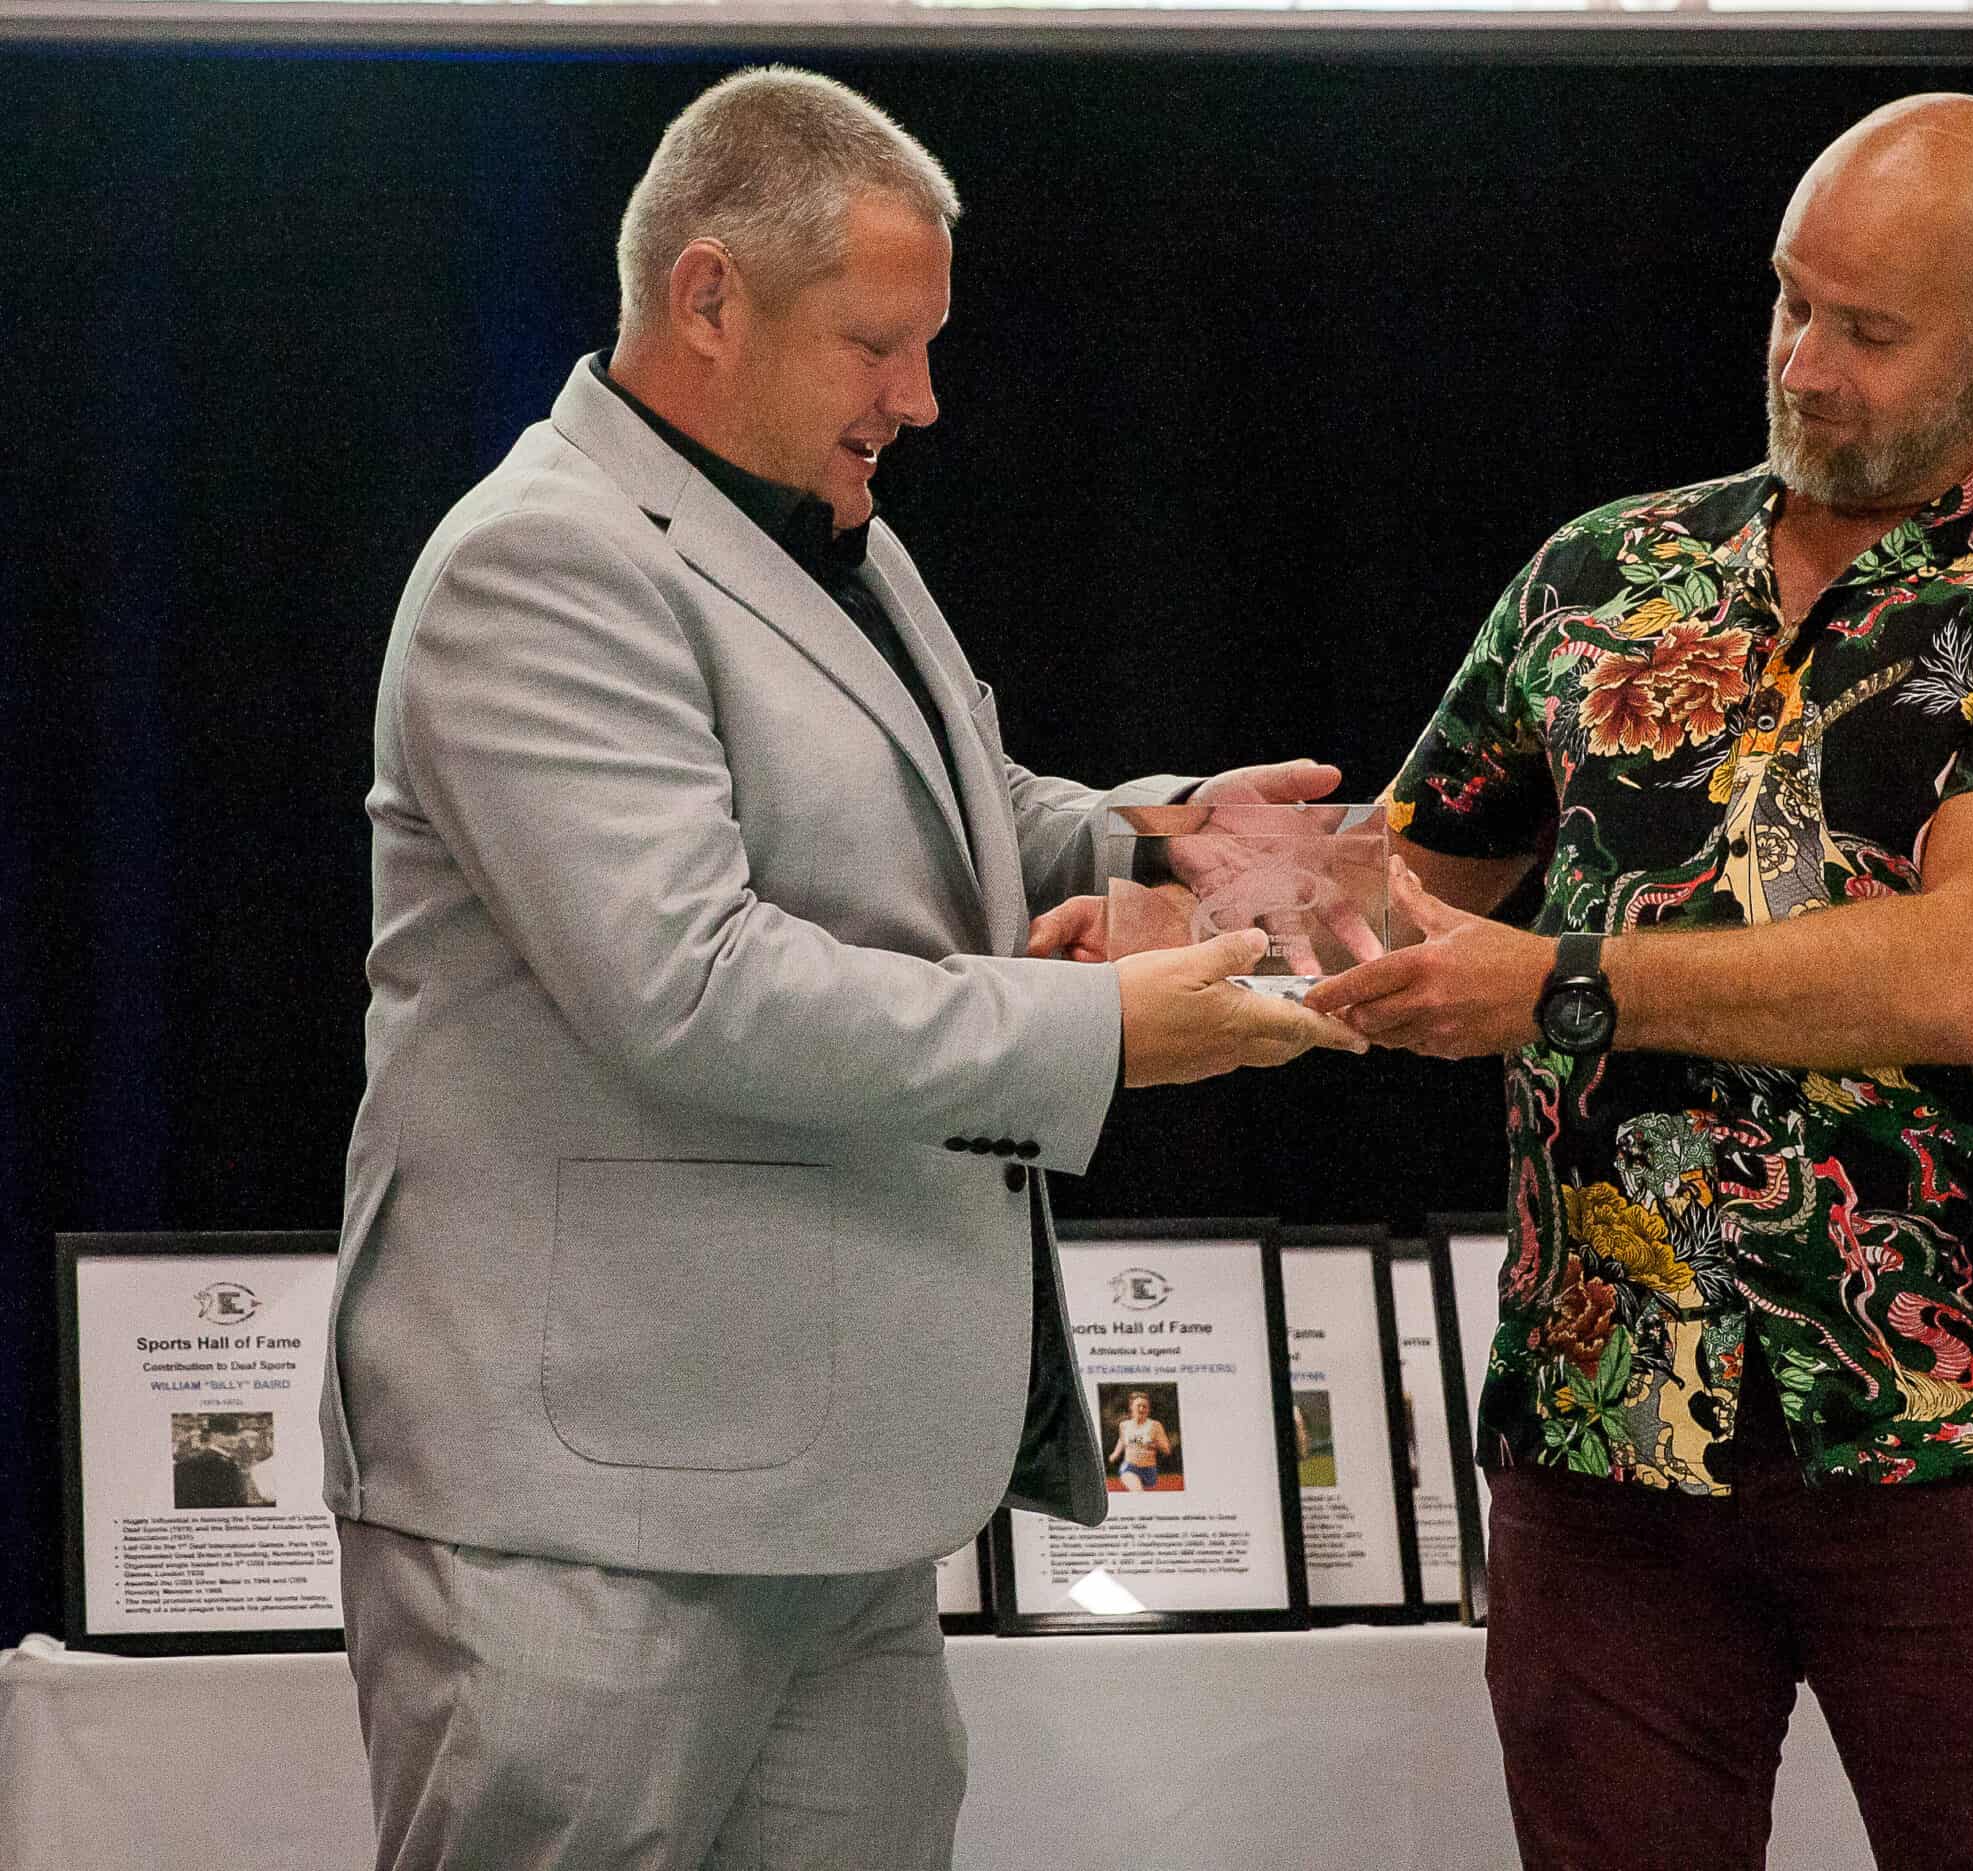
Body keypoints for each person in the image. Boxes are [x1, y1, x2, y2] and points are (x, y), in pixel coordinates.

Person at [319, 66, 1360, 1871]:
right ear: (708, 297)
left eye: (927, 344)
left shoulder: (811, 523)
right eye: (879, 343)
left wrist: (1150, 837)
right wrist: (1101, 1029)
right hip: (590, 1511)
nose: (922, 396)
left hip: (824, 1489)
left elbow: (949, 808)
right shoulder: (541, 562)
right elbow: (693, 985)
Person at [1307, 94, 1973, 1871]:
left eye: (1871, 328)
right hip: (1602, 1429)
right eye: (1792, 300)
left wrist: (1564, 984)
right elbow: (1389, 894)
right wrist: (1159, 899)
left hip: (1936, 1433)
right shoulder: (1600, 577)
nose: (1806, 362)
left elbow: (1972, 972)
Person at [1106, 1390, 1174, 1490]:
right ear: (1131, 1407)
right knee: (1137, 1490)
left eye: (1144, 1406)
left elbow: (1167, 1450)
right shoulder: (1124, 1425)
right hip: (1129, 1467)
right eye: (1138, 1406)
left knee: (1143, 1493)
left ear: (1148, 1409)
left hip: (1149, 1470)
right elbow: (1122, 1440)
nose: (1141, 1409)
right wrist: (1115, 1454)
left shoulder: (1155, 1426)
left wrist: (1153, 1444)